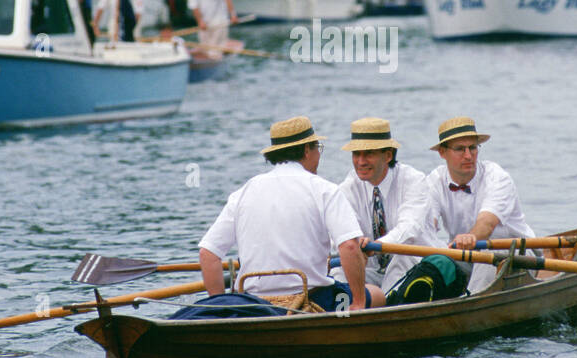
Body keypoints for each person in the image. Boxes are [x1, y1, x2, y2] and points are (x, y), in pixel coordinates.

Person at [198, 117, 379, 311]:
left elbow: (208, 254)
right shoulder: (324, 189)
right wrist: (358, 303)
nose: (319, 154)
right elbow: (350, 247)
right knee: (377, 294)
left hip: (251, 302)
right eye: (317, 147)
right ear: (307, 150)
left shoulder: (242, 192)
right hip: (312, 297)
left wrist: (220, 305)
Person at [424, 116, 534, 293]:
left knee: (486, 257)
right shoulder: (434, 181)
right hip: (466, 257)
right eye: (460, 149)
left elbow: (487, 223)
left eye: (473, 148)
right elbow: (428, 223)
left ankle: (469, 310)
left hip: (516, 255)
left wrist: (471, 237)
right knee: (428, 259)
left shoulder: (497, 177)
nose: (468, 156)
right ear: (442, 153)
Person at [334, 117, 436, 294]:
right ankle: (343, 314)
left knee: (402, 257)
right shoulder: (347, 188)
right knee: (338, 271)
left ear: (388, 155)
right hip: (374, 271)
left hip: (418, 266)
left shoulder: (413, 180)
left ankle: (384, 310)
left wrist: (375, 246)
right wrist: (355, 244)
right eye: (356, 154)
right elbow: (340, 233)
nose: (361, 161)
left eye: (369, 154)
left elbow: (409, 228)